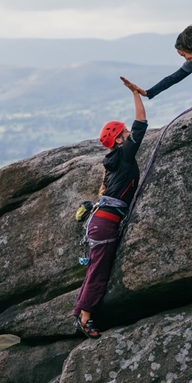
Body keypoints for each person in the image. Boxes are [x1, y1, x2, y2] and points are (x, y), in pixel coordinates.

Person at [73, 77, 147, 339]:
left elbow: (136, 128)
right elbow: (141, 124)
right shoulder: (125, 155)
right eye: (123, 133)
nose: (128, 134)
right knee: (99, 273)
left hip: (101, 220)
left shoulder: (114, 160)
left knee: (96, 269)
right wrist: (136, 94)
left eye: (125, 132)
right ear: (117, 141)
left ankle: (80, 314)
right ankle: (84, 318)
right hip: (105, 222)